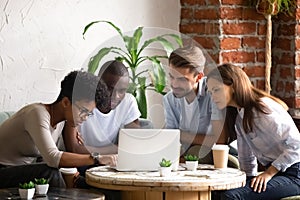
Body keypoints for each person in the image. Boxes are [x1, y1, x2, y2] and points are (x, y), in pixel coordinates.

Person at [0, 70, 117, 188]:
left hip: (20, 171)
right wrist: (97, 158)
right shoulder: (36, 114)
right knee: (49, 173)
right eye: (84, 111)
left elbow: (47, 159)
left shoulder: (61, 122)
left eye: (89, 114)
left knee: (80, 172)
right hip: (3, 170)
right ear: (66, 102)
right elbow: (53, 158)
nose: (85, 118)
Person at [207, 63, 300, 199]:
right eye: (210, 92)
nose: (213, 97)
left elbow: (297, 145)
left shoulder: (262, 109)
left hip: (295, 173)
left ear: (233, 86)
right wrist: (246, 181)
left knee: (230, 197)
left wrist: (268, 173)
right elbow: (246, 157)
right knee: (216, 192)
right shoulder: (239, 116)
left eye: (216, 90)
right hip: (279, 173)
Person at [163, 44, 228, 161]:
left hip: (215, 153)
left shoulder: (213, 94)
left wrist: (183, 135)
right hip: (186, 153)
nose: (174, 84)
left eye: (182, 79)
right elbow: (171, 138)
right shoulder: (170, 99)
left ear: (199, 77)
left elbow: (219, 140)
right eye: (172, 77)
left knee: (195, 151)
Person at [63, 60, 141, 156]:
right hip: (80, 163)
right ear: (98, 82)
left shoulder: (128, 102)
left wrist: (90, 150)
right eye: (109, 88)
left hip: (109, 163)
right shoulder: (83, 100)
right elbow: (73, 149)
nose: (115, 96)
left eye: (121, 91)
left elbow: (134, 144)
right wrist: (117, 149)